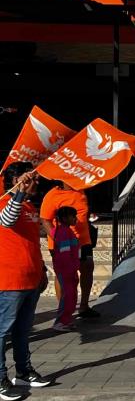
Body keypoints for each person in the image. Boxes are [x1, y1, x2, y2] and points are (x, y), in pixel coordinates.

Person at [0, 164, 52, 401]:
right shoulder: (5, 203)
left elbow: (32, 241)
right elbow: (7, 221)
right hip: (9, 280)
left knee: (22, 330)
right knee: (2, 331)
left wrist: (41, 269)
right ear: (17, 181)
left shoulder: (30, 206)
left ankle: (24, 371)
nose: (37, 184)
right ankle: (1, 378)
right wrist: (19, 191)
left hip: (30, 278)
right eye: (33, 180)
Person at [40, 182, 98, 319]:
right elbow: (45, 220)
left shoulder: (81, 190)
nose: (75, 179)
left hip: (83, 241)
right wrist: (57, 239)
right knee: (63, 275)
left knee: (87, 267)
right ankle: (63, 310)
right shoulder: (52, 195)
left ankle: (84, 306)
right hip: (63, 243)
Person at [51, 207, 80, 333]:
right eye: (73, 216)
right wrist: (70, 270)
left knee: (72, 295)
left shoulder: (67, 231)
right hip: (66, 269)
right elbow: (64, 254)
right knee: (67, 295)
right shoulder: (63, 232)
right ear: (64, 218)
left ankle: (66, 320)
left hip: (70, 269)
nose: (75, 218)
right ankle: (60, 321)